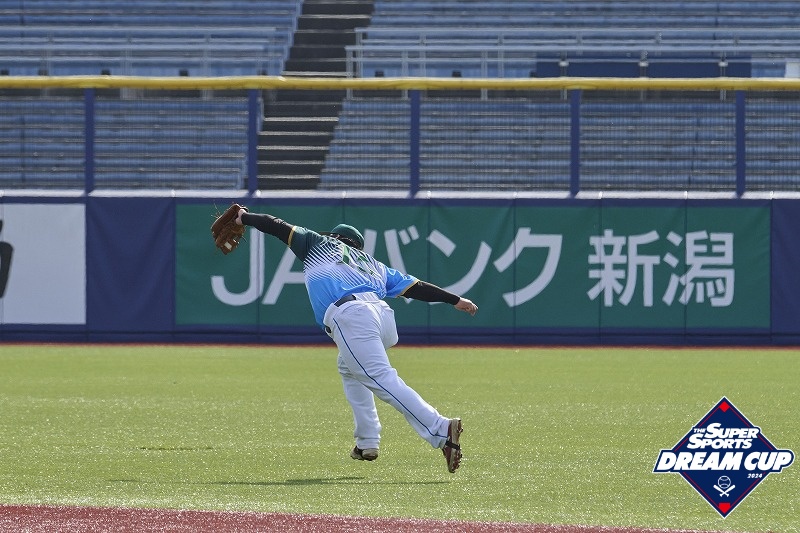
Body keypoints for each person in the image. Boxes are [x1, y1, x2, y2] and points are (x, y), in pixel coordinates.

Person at [234, 208, 478, 473]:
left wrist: (244, 217)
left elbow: (275, 225)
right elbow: (417, 287)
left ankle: (440, 427)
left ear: (335, 237)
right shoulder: (373, 264)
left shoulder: (320, 244)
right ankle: (367, 441)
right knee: (348, 366)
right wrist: (455, 299)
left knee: (381, 378)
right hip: (383, 320)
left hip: (352, 315)